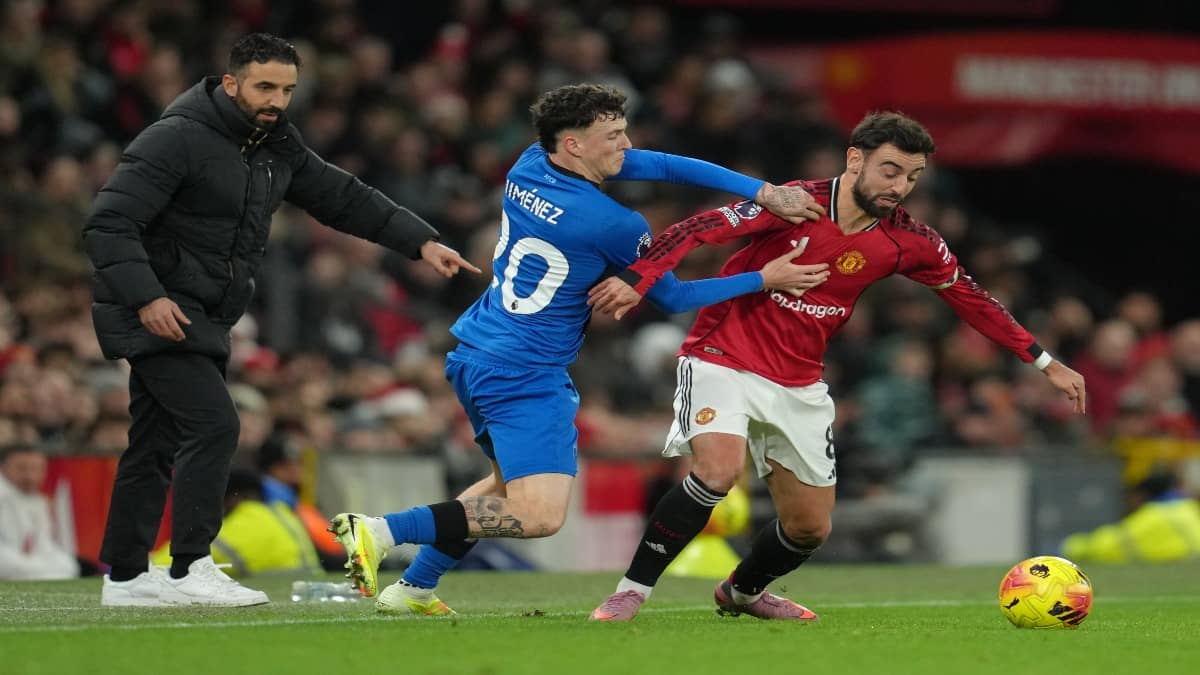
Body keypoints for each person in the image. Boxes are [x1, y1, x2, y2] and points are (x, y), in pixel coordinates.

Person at [329, 83, 829, 615]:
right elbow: (676, 296)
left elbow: (658, 165)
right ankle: (380, 530)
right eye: (613, 136)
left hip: (476, 353)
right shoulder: (616, 226)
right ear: (573, 145)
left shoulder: (526, 165)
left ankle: (414, 588)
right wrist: (763, 277)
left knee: (503, 486)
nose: (627, 144)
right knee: (540, 515)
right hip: (525, 372)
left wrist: (761, 191)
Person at [587, 111, 1088, 621]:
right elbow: (697, 228)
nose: (900, 187)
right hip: (723, 356)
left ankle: (740, 592)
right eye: (890, 171)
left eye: (912, 178)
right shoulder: (794, 203)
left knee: (809, 529)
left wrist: (1044, 361)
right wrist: (638, 278)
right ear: (855, 159)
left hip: (799, 379)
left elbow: (971, 297)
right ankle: (632, 590)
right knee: (718, 472)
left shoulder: (908, 241)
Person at [84, 33, 477, 608]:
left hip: (202, 314)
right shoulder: (175, 138)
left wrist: (418, 242)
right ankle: (189, 566)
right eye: (264, 86)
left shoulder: (273, 142)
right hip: (161, 308)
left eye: (287, 89)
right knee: (214, 425)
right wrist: (146, 296)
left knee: (154, 442)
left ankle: (124, 578)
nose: (276, 99)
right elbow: (107, 222)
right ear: (230, 83)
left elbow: (342, 196)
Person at [151, 467, 322, 577]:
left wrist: (139, 561)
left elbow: (176, 559)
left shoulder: (244, 522)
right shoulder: (283, 513)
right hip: (305, 586)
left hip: (282, 593)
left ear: (233, 497)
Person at [0, 443, 80, 580]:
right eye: (21, 468)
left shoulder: (39, 502)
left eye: (35, 469)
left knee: (69, 563)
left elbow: (44, 546)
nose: (29, 476)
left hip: (28, 564)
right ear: (3, 468)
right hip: (9, 561)